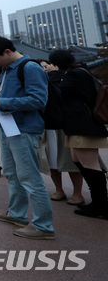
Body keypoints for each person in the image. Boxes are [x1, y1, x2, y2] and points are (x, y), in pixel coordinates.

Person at [0, 35, 54, 240]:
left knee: (29, 176)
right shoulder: (7, 70)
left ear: (6, 52)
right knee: (12, 173)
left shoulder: (30, 68)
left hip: (24, 128)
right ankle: (17, 214)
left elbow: (38, 100)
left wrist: (2, 102)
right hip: (8, 126)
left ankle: (43, 225)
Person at [48, 49, 108, 219]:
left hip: (84, 125)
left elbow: (60, 92)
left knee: (90, 166)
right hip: (78, 125)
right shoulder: (77, 72)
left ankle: (101, 205)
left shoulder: (75, 74)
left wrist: (54, 76)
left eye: (52, 63)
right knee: (80, 161)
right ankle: (98, 203)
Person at [37, 59, 84, 205]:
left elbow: (60, 95)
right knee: (51, 161)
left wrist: (54, 76)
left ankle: (77, 193)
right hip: (47, 126)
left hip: (65, 127)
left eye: (46, 66)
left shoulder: (63, 79)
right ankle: (59, 189)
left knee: (70, 162)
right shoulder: (39, 82)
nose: (45, 69)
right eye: (41, 68)